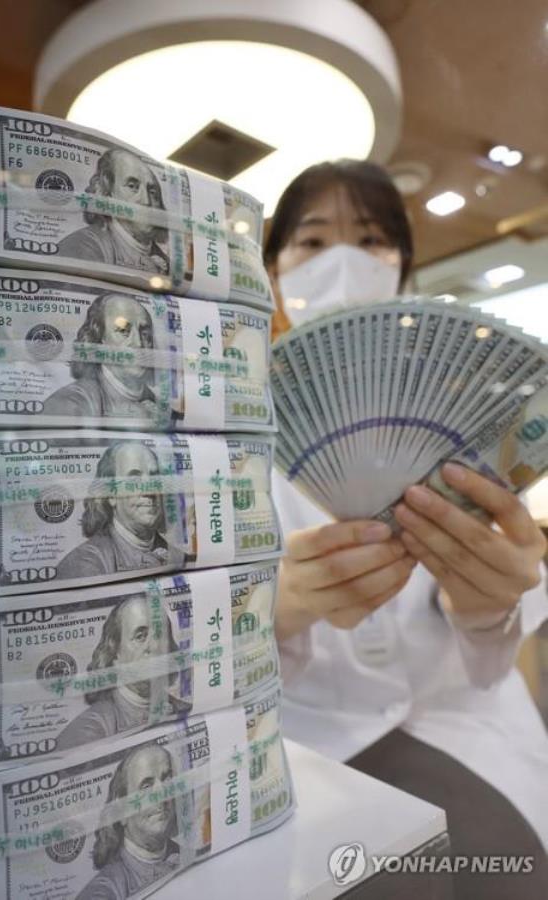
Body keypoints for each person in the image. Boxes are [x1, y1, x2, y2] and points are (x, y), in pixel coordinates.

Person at [266, 160, 548, 897]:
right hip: (303, 738)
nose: (346, 262)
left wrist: (489, 604)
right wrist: (281, 610)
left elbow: (491, 655)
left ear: (404, 266)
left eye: (372, 239)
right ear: (273, 270)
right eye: (313, 241)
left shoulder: (468, 414)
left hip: (457, 718)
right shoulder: (231, 434)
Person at [56, 594, 191, 751]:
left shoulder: (185, 709)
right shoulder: (86, 732)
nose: (154, 646)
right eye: (140, 636)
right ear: (114, 654)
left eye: (160, 634)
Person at [42, 292, 181, 424]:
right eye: (123, 331)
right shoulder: (70, 405)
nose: (138, 343)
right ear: (100, 337)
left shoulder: (165, 410)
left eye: (145, 333)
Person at [57, 441, 186, 579]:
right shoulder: (83, 566)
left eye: (155, 478)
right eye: (134, 479)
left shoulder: (180, 557)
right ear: (111, 494)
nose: (150, 491)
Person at [76, 745, 180, 900]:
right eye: (146, 786)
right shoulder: (104, 890)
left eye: (167, 780)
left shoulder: (186, 852)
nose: (162, 795)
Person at [59, 148, 170, 275]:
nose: (146, 201)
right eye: (132, 186)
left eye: (152, 192)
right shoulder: (83, 246)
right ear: (108, 192)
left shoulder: (167, 263)